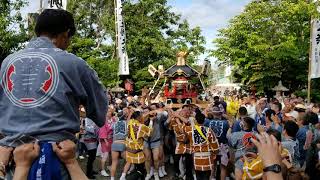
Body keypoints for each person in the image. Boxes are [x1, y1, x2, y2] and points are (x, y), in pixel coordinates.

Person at [0, 9, 108, 179]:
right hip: (57, 155)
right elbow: (100, 113)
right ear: (65, 34)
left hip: (13, 156)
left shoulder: (6, 63)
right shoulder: (74, 63)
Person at [176, 109, 219, 180]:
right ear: (204, 121)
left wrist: (177, 119)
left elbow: (181, 128)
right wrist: (215, 153)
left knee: (198, 176)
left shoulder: (191, 130)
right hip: (207, 158)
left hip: (196, 158)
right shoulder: (209, 130)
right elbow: (214, 144)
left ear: (195, 121)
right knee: (206, 177)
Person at [125, 111, 154, 180]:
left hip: (129, 148)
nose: (143, 117)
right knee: (140, 170)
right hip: (137, 150)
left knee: (136, 167)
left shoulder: (130, 122)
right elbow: (150, 132)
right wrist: (151, 121)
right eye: (141, 116)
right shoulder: (141, 126)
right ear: (138, 117)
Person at [204, 106, 229, 180]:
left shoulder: (207, 122)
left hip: (212, 146)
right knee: (223, 167)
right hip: (223, 147)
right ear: (221, 114)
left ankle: (212, 178)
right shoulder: (226, 123)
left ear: (212, 114)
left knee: (212, 164)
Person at [110, 108, 130, 180]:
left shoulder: (114, 124)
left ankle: (112, 178)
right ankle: (123, 176)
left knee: (114, 162)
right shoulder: (127, 123)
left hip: (114, 144)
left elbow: (111, 129)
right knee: (129, 160)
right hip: (123, 143)